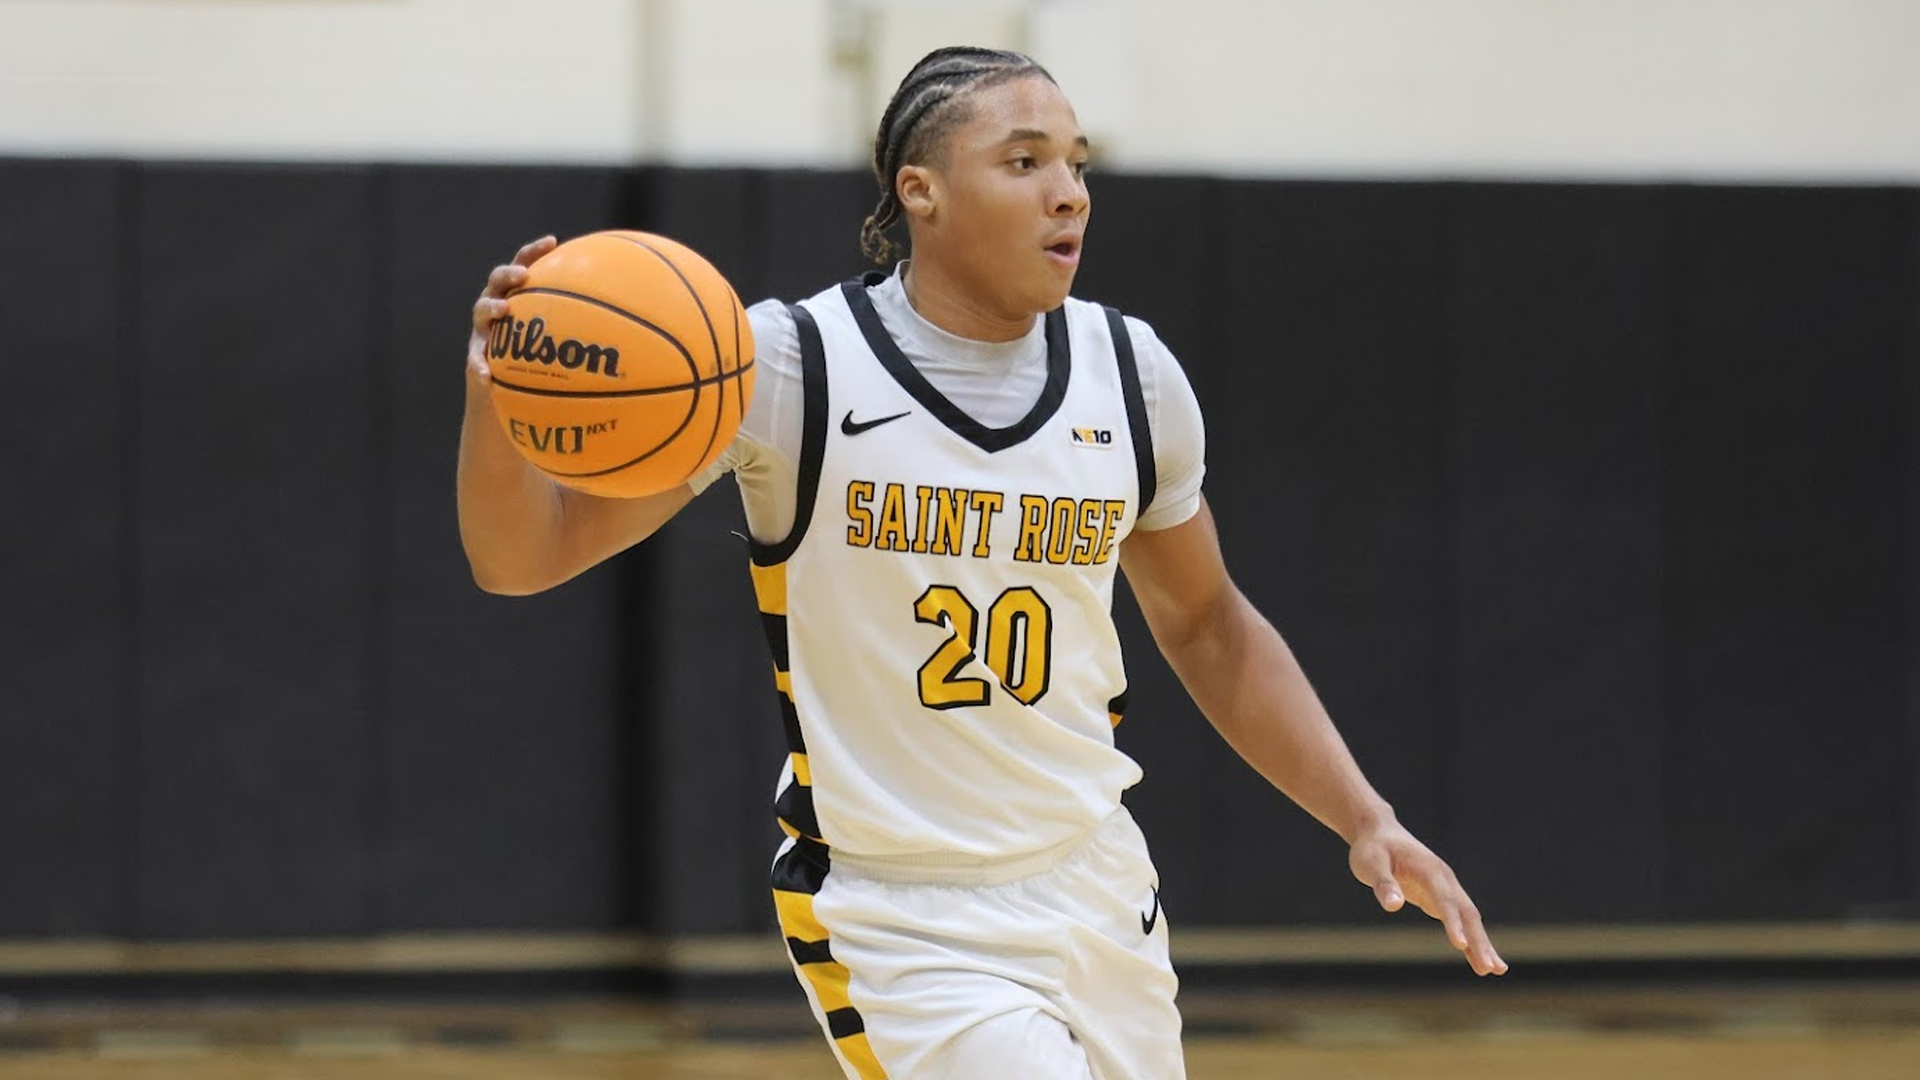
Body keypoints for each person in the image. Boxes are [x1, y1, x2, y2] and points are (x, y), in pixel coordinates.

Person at [458, 45, 1506, 1080]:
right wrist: (496, 401)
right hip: (900, 910)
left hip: (1096, 879)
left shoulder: (1132, 376)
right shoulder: (784, 368)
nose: (1071, 196)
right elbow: (524, 556)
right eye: (1026, 163)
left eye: (1079, 165)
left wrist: (1363, 816)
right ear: (923, 190)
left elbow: (1209, 626)